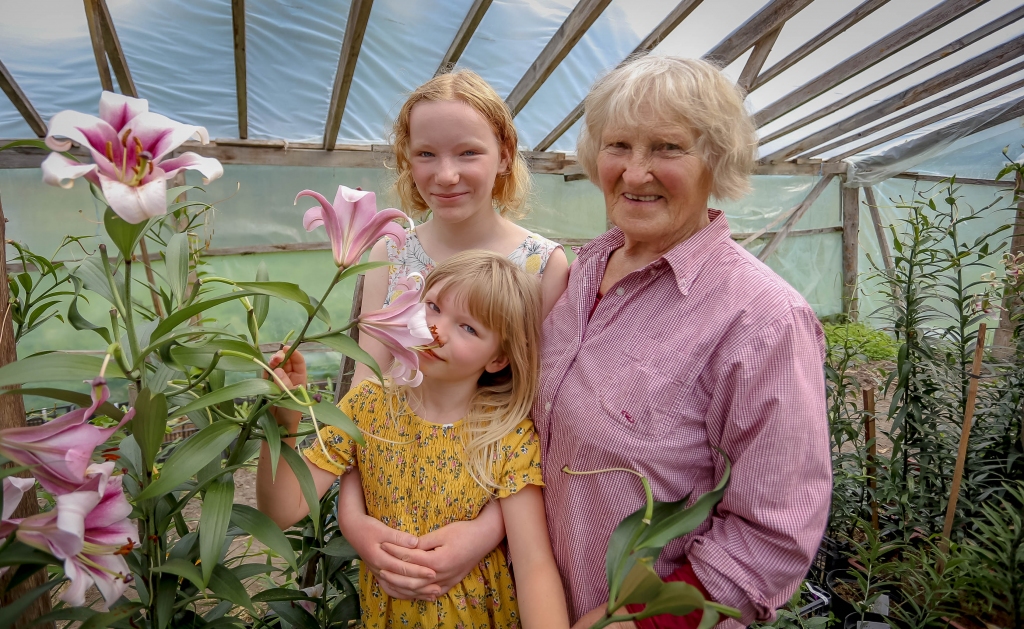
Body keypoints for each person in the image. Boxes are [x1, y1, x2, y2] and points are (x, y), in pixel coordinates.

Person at [363, 56, 833, 628]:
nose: (635, 173)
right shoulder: (582, 272)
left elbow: (772, 537)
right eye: (618, 146)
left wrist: (636, 622)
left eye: (667, 148)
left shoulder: (763, 321)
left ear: (717, 158)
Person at [337, 68, 568, 603]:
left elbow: (536, 409)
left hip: (491, 513)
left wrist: (485, 532)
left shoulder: (544, 265)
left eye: (468, 153)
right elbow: (365, 390)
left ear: (505, 154)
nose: (445, 175)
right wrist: (354, 519)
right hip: (390, 506)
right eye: (426, 154)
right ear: (406, 158)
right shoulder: (390, 251)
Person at [256, 251, 570, 629]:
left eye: (468, 328)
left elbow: (534, 564)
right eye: (433, 307)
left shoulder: (507, 435)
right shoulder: (367, 406)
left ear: (499, 359)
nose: (436, 330)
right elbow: (281, 510)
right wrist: (283, 420)